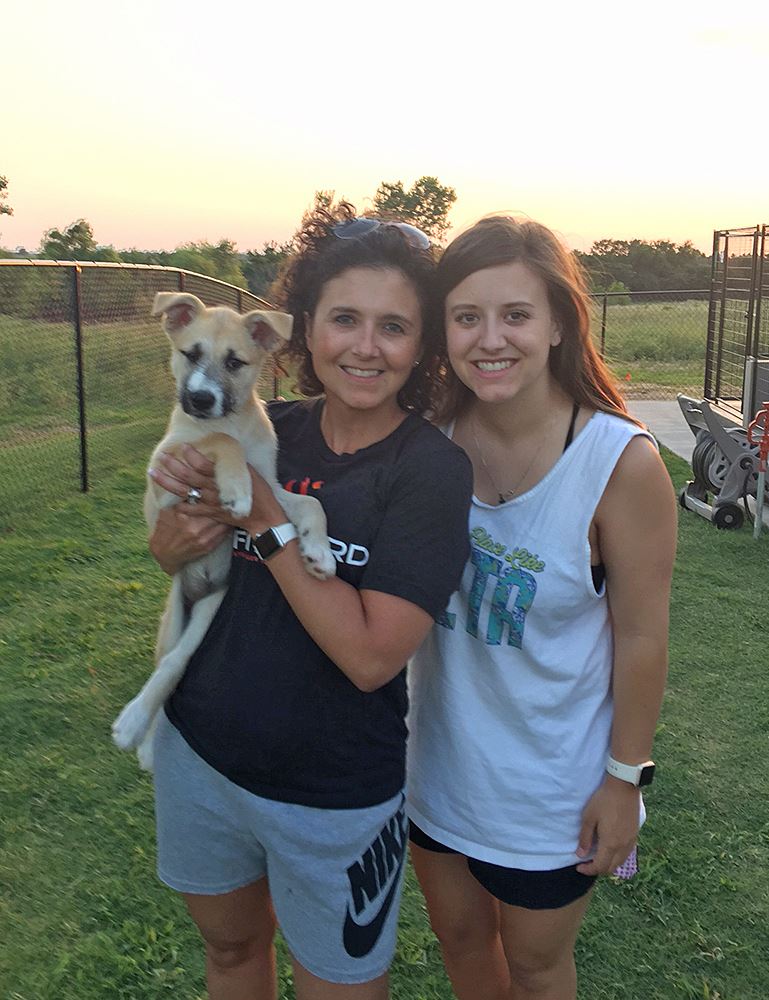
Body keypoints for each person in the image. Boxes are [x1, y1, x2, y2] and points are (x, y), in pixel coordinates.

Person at [143, 204, 473, 1000]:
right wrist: (172, 540)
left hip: (331, 794)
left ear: (421, 345)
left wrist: (264, 519)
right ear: (306, 332)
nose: (365, 346)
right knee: (230, 954)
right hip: (201, 753)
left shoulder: (429, 470)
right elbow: (177, 551)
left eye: (393, 327)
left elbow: (369, 659)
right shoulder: (264, 429)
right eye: (344, 319)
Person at [406, 216, 677, 1000]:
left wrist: (623, 782)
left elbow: (641, 638)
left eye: (515, 315)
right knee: (461, 944)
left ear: (558, 323)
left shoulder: (618, 464)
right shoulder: (425, 440)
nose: (490, 339)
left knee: (534, 968)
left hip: (552, 792)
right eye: (466, 316)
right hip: (435, 769)